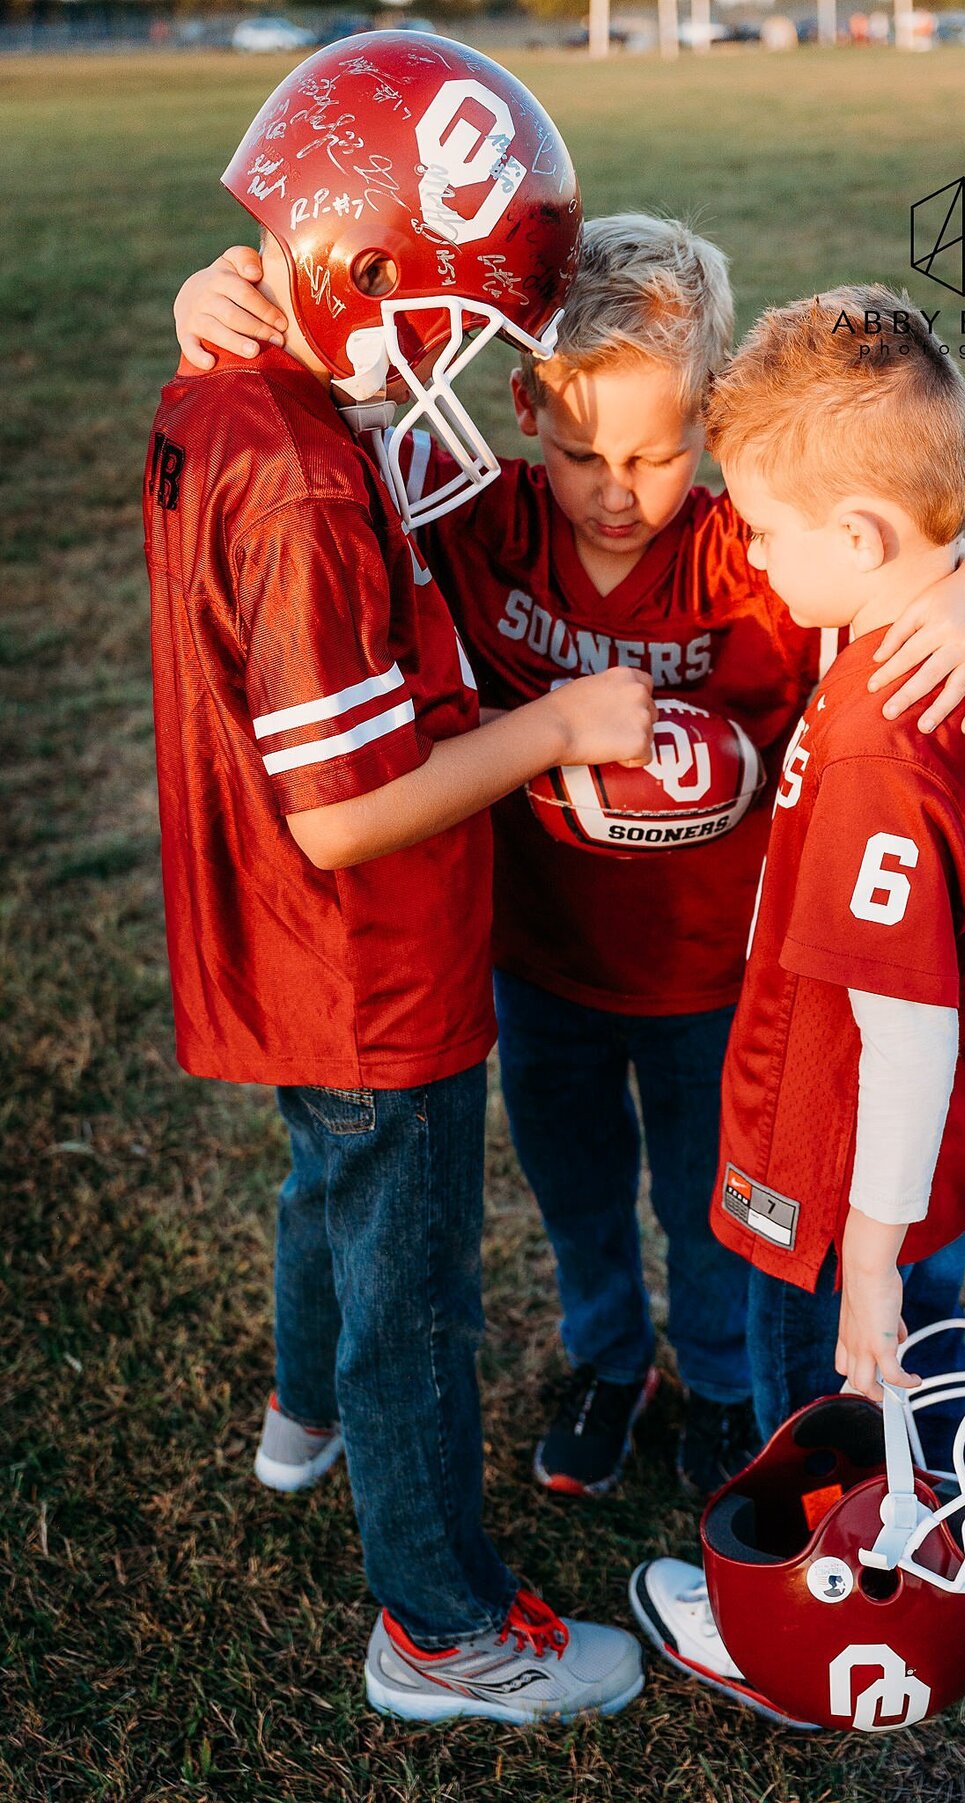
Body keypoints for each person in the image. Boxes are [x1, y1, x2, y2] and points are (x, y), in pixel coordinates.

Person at [174, 220, 965, 1504]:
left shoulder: (756, 554)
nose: (616, 487)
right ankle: (605, 1359)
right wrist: (209, 300)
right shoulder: (476, 516)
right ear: (522, 407)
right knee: (577, 1194)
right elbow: (316, 414)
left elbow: (895, 547)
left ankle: (722, 1380)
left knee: (710, 1215)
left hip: (710, 980)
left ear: (712, 420)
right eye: (580, 452)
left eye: (656, 452)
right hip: (543, 959)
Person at [145, 35, 656, 1726]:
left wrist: (213, 294)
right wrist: (566, 723)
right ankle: (438, 1628)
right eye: (443, 321)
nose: (446, 371)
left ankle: (305, 1417)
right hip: (368, 955)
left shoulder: (234, 390)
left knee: (331, 1193)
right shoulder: (301, 472)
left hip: (299, 962)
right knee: (417, 1294)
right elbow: (350, 815)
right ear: (357, 272)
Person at [628, 287, 965, 1724]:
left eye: (760, 526)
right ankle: (907, 1539)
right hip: (926, 1144)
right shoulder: (935, 631)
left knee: (816, 1367)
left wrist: (863, 1240)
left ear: (861, 540)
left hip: (848, 1146)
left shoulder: (885, 724)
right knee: (908, 1351)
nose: (747, 548)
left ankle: (797, 1613)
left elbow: (909, 1018)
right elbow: (920, 550)